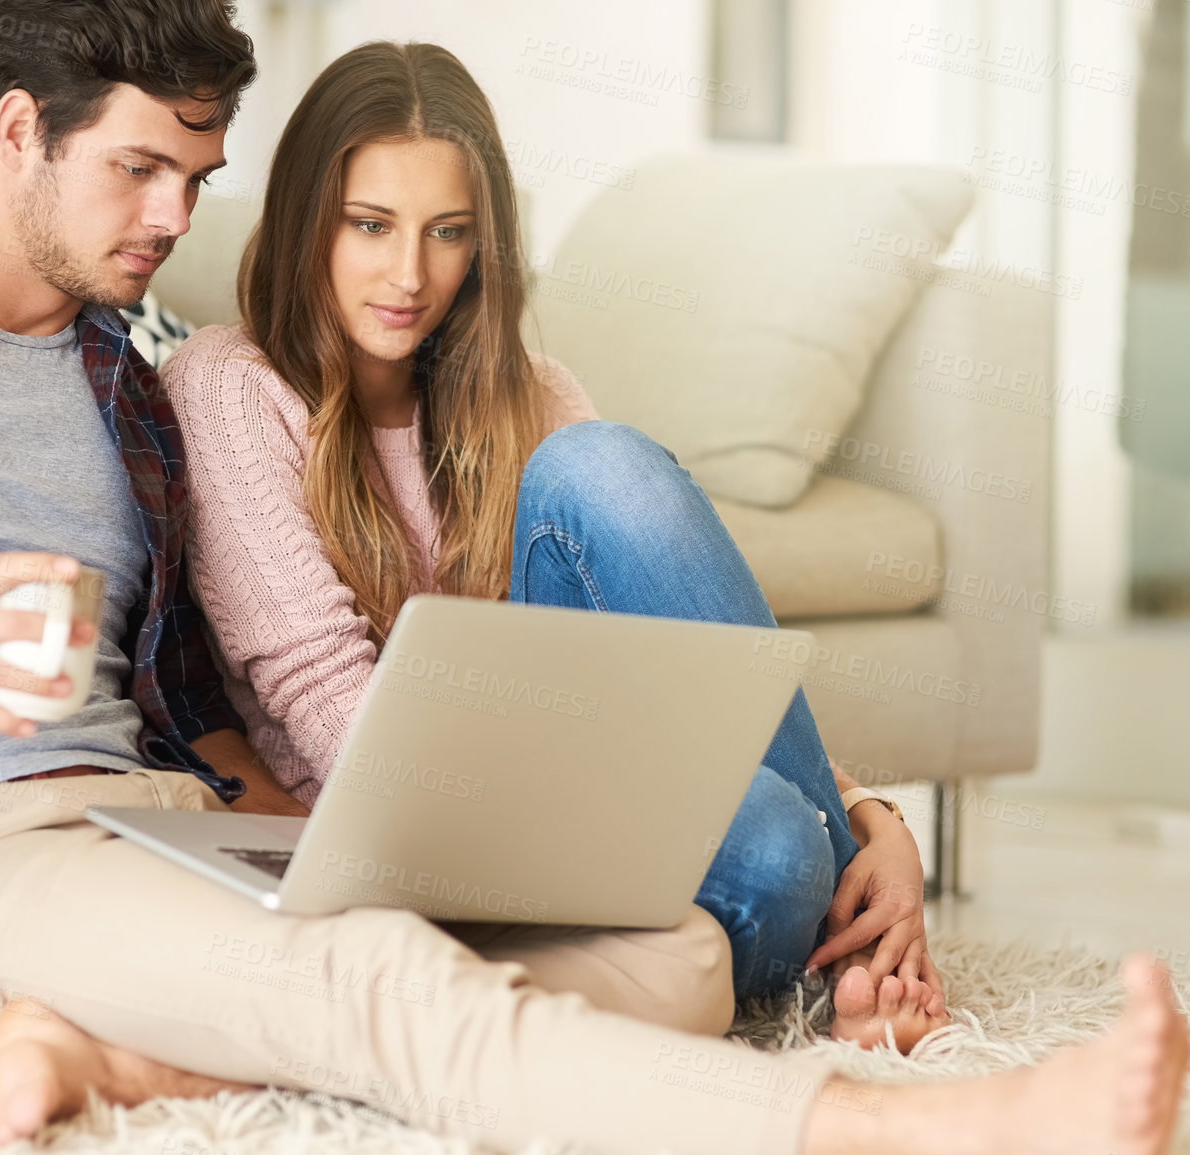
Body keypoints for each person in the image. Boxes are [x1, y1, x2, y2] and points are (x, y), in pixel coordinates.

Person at [0, 5, 1190, 1152]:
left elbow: (216, 703)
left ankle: (109, 1062)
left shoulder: (132, 387)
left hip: (174, 830)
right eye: (142, 170)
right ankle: (917, 1134)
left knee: (685, 957)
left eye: (200, 179)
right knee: (364, 972)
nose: (174, 215)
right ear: (19, 130)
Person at [163, 38, 943, 1048]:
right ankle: (841, 955)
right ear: (308, 219)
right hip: (424, 832)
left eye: (448, 233)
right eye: (370, 225)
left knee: (602, 465)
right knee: (774, 844)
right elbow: (325, 698)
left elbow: (699, 666)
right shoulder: (229, 387)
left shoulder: (528, 391)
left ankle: (849, 914)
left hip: (591, 779)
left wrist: (876, 815)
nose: (410, 275)